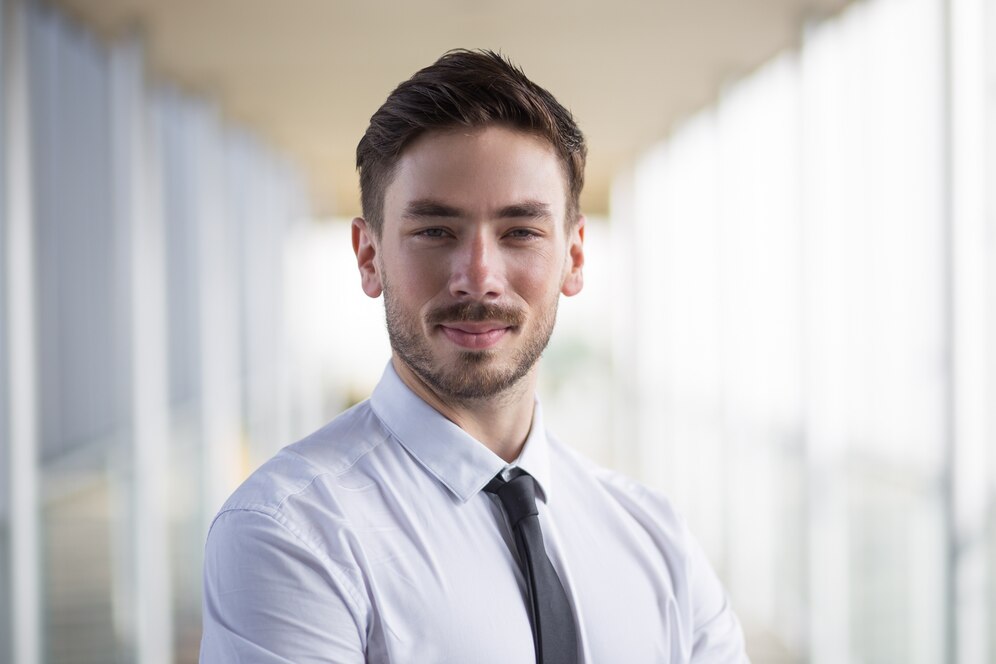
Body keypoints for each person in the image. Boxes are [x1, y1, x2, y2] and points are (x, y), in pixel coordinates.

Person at [200, 49, 748, 663]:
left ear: (575, 257)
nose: (479, 277)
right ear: (368, 256)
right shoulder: (290, 533)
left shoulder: (657, 539)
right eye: (435, 231)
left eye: (520, 231)